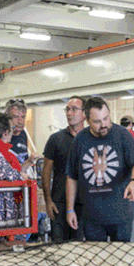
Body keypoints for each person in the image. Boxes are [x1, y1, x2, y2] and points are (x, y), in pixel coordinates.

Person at [65, 97, 134, 242]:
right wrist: (70, 209)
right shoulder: (79, 141)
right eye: (97, 121)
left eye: (106, 118)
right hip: (92, 218)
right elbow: (72, 177)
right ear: (87, 120)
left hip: (121, 216)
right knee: (95, 256)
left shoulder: (123, 136)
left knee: (121, 255)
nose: (104, 125)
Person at [0, 112, 38, 245]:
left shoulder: (3, 150)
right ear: (5, 132)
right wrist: (23, 177)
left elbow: (14, 171)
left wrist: (29, 162)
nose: (13, 133)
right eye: (12, 129)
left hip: (5, 213)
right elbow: (9, 174)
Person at [43, 96, 85, 243]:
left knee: (81, 247)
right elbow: (46, 173)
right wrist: (48, 201)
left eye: (74, 109)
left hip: (84, 204)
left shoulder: (90, 139)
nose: (69, 113)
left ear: (84, 114)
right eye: (67, 109)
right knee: (59, 247)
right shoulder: (55, 139)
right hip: (59, 204)